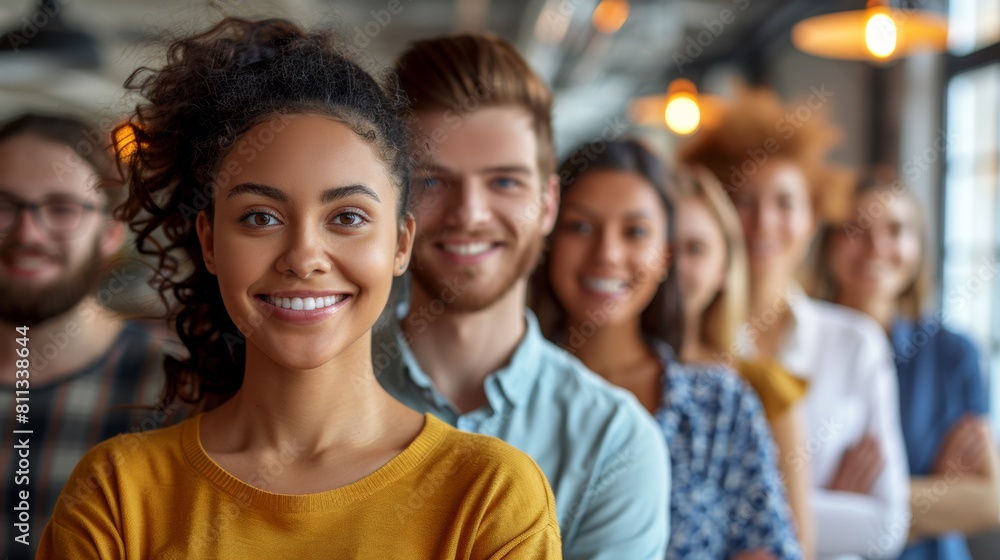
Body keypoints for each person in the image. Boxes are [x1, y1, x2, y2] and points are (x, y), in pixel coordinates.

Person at [38, 18, 561, 559]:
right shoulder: (116, 495)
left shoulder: (489, 496)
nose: (304, 257)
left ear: (402, 242)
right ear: (210, 241)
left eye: (348, 217)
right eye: (261, 218)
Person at [374, 34, 669, 560]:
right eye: (434, 181)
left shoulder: (615, 443)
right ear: (391, 201)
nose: (470, 213)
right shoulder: (307, 397)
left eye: (504, 182)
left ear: (549, 202)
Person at [530, 138, 802, 559]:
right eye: (581, 227)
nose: (608, 253)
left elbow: (766, 548)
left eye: (635, 232)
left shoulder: (719, 406)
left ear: (664, 256)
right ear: (548, 238)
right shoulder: (505, 398)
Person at [680, 88, 910, 559]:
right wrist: (814, 499)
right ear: (718, 217)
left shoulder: (855, 343)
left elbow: (885, 529)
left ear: (812, 218)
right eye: (742, 201)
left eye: (785, 202)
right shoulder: (686, 346)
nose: (764, 221)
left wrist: (729, 510)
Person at [0, 113, 180, 559]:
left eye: (62, 209)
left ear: (110, 232)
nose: (27, 233)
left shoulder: (176, 388)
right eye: (2, 206)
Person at [811, 174, 1000, 560]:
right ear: (828, 245)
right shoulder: (803, 347)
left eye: (896, 230)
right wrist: (937, 496)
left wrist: (847, 506)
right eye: (856, 230)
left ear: (918, 247)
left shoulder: (954, 354)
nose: (876, 247)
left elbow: (989, 501)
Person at [672, 166, 815, 558]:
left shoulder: (761, 386)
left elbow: (796, 544)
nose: (675, 266)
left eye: (695, 249)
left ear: (724, 267)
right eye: (660, 244)